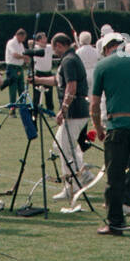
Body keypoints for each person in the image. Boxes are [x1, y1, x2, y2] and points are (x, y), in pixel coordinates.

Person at [90, 30, 130, 237]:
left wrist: (98, 128)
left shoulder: (103, 65)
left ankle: (116, 223)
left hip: (118, 127)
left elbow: (95, 104)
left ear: (107, 49)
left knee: (115, 177)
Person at [36, 31, 90, 204]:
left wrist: (63, 110)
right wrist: (38, 79)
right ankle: (83, 173)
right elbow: (58, 81)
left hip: (75, 112)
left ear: (60, 45)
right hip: (77, 111)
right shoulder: (69, 59)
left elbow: (71, 87)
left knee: (63, 146)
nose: (54, 51)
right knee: (61, 144)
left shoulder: (68, 60)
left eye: (55, 48)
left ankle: (71, 185)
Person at [28, 30, 54, 113]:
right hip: (38, 73)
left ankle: (50, 110)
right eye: (44, 38)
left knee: (49, 93)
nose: (46, 39)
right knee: (37, 93)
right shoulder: (35, 48)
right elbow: (30, 42)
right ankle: (35, 110)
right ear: (39, 40)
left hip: (48, 73)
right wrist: (38, 43)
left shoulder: (49, 47)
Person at [3, 27, 28, 106]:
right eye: (23, 37)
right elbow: (15, 55)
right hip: (12, 67)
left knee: (21, 88)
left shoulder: (21, 44)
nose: (23, 40)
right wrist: (24, 57)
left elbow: (23, 54)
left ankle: (22, 106)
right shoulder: (11, 42)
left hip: (19, 68)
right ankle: (12, 108)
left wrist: (26, 60)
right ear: (19, 35)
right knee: (13, 89)